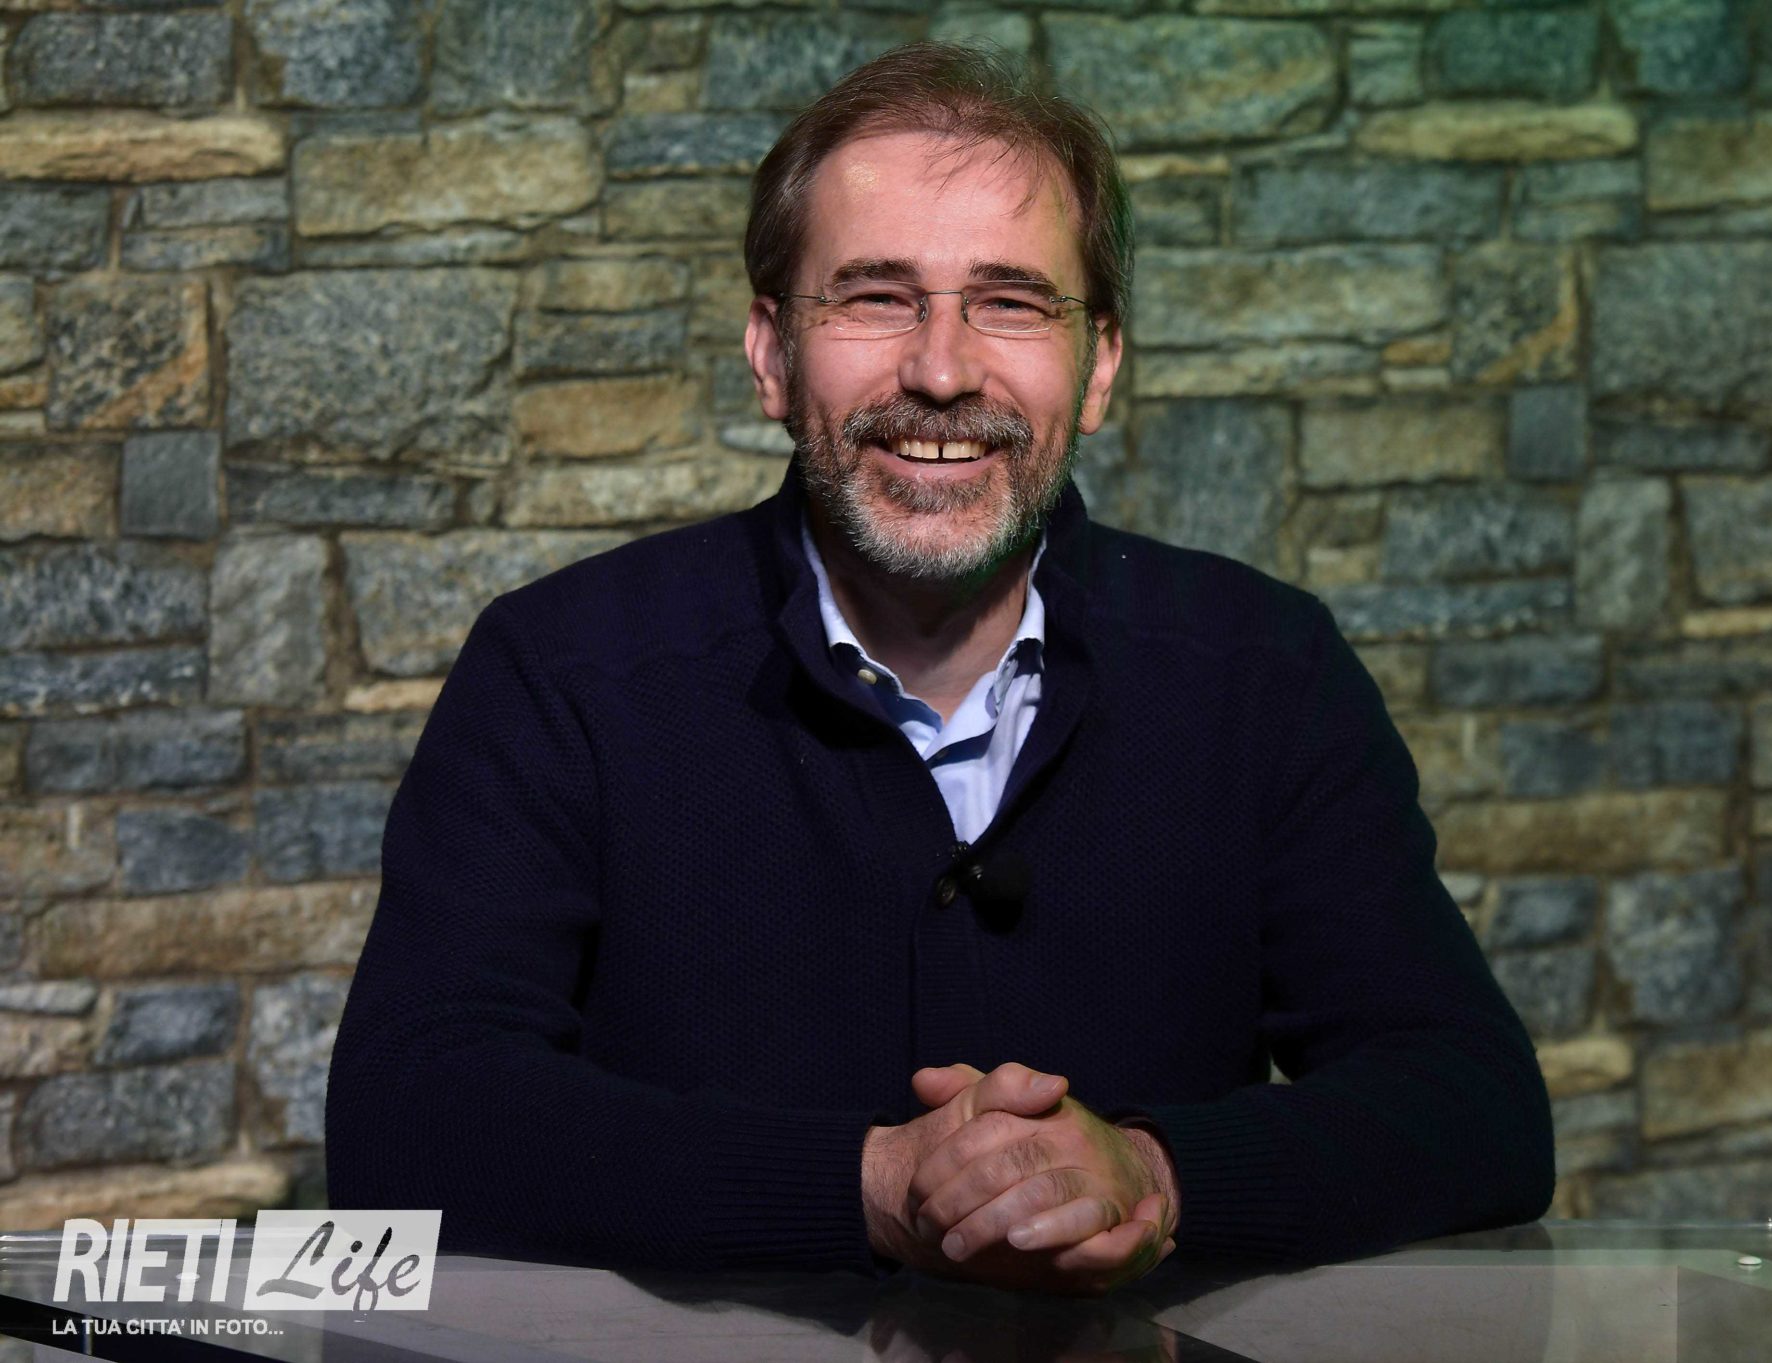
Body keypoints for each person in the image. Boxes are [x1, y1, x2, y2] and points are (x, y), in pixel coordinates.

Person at [325, 42, 1554, 1297]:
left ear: (1100, 365)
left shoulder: (1265, 670)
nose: (942, 370)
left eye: (1010, 302)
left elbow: (1473, 1102)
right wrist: (868, 1186)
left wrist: (1151, 1173)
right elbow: (405, 1119)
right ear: (770, 353)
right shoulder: (559, 672)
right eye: (874, 297)